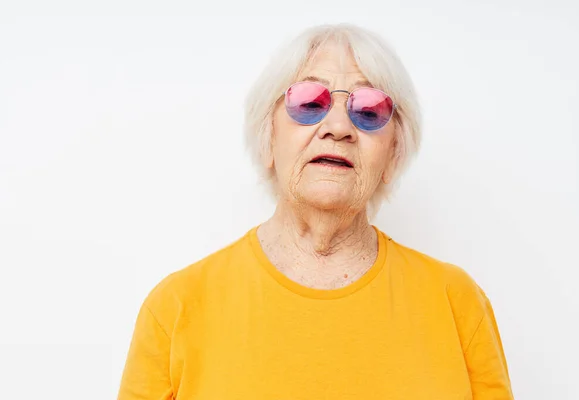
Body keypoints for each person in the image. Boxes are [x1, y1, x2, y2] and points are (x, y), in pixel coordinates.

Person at [117, 23, 513, 399]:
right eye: (309, 101)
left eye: (370, 109)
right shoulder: (177, 306)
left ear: (393, 154)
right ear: (268, 138)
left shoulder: (456, 302)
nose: (338, 126)